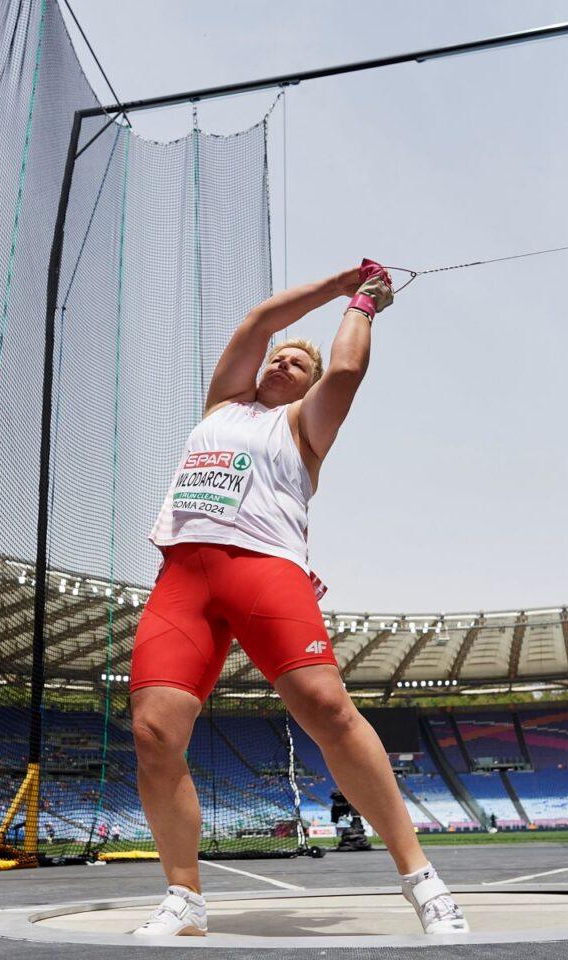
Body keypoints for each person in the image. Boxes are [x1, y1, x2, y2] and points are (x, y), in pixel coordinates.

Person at [128, 264, 468, 937]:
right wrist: (333, 281)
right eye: (278, 357)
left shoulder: (302, 427)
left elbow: (343, 373)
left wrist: (362, 303)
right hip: (184, 577)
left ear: (306, 391)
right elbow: (258, 322)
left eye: (297, 364)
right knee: (153, 731)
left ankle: (422, 881)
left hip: (266, 572)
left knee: (326, 708)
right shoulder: (224, 405)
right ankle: (185, 898)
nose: (283, 361)